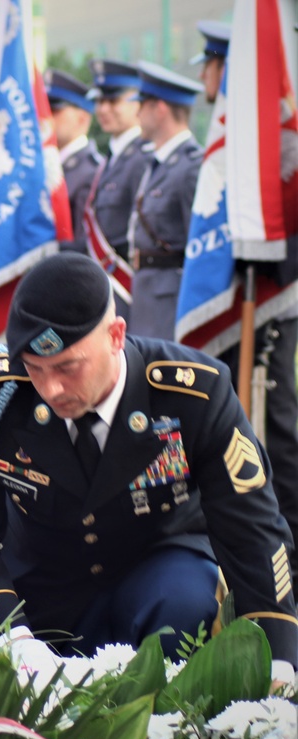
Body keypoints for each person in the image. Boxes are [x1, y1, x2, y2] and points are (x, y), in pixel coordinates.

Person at [0, 253, 297, 684]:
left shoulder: (194, 393)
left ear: (116, 335)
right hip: (44, 591)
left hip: (161, 578)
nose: (50, 389)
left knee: (183, 603)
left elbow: (252, 531)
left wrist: (278, 663)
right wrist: (10, 639)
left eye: (67, 366)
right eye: (35, 368)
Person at [191, 20, 298, 580]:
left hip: (272, 292)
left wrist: (262, 256)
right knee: (234, 434)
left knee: (274, 433)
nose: (207, 78)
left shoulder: (266, 124)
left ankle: (290, 562)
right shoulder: (237, 131)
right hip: (240, 291)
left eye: (211, 66)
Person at [126, 61, 203, 341]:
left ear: (159, 109)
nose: (136, 112)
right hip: (147, 295)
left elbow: (197, 247)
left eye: (142, 105)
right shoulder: (158, 162)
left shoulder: (190, 167)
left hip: (169, 301)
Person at [85, 60, 154, 266]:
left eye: (113, 101)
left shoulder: (143, 158)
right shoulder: (111, 157)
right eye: (99, 101)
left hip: (125, 280)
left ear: (137, 104)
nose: (103, 109)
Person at [44, 69, 102, 254]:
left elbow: (83, 245)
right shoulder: (46, 167)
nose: (46, 118)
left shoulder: (92, 171)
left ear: (82, 118)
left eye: (54, 111)